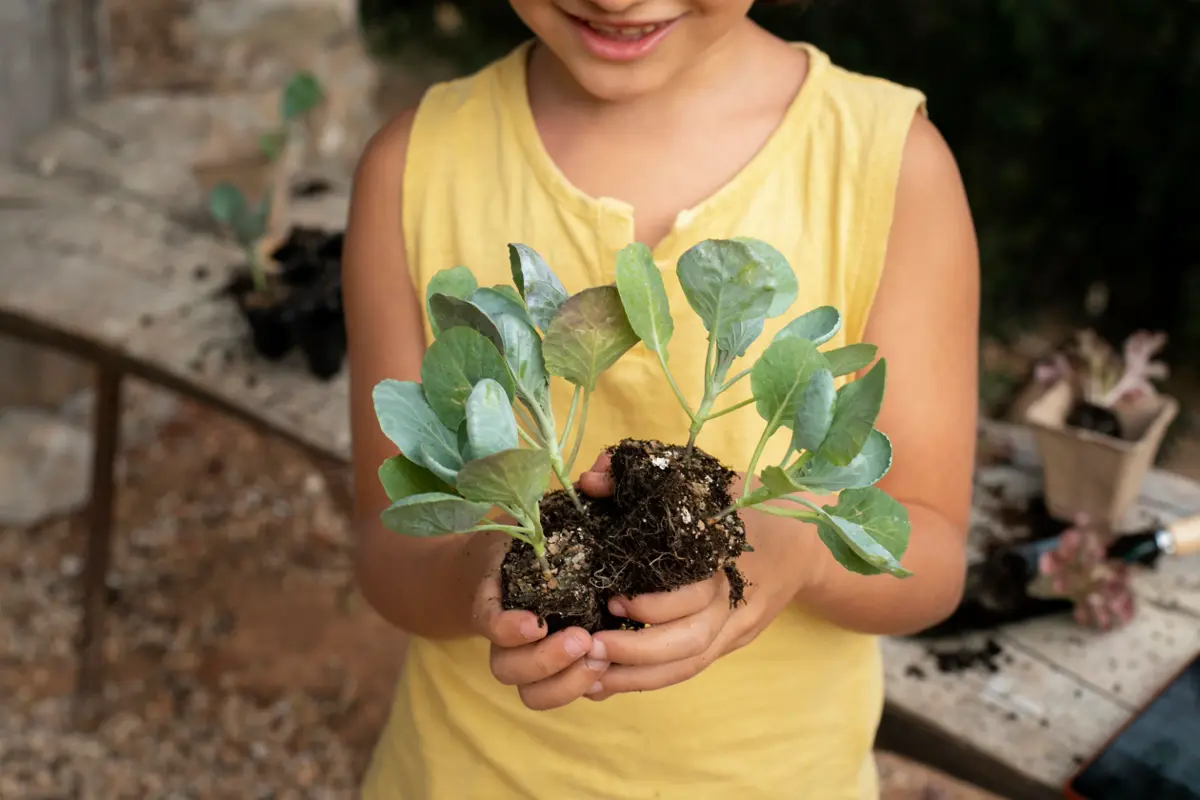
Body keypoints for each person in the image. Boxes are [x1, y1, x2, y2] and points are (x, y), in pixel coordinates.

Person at [343, 0, 979, 796]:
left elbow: (933, 556)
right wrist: (484, 563)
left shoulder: (890, 168)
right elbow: (389, 548)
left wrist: (803, 549)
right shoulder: (412, 169)